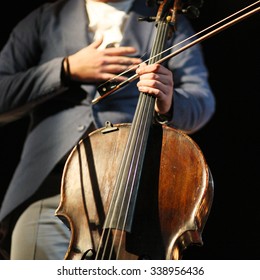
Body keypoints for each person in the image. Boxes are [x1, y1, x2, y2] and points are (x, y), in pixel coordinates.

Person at [0, 0, 215, 260]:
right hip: (51, 193)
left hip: (135, 194)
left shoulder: (171, 23)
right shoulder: (46, 18)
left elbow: (201, 101)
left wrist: (170, 103)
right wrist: (65, 69)